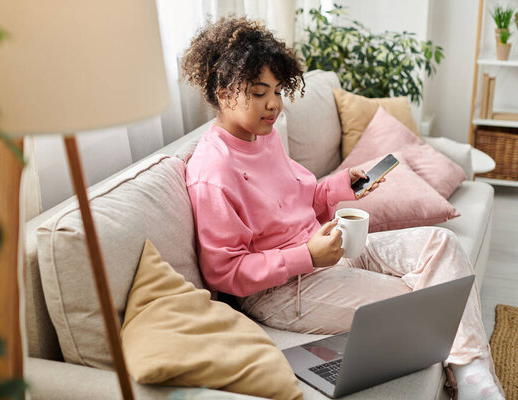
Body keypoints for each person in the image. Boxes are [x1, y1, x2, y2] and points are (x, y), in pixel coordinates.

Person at [181, 16, 504, 400]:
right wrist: (306, 256)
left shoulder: (262, 136)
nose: (273, 105)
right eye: (257, 93)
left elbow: (302, 200)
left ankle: (470, 372)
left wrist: (344, 184)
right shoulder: (213, 171)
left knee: (442, 244)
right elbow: (225, 272)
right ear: (222, 90)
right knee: (420, 300)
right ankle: (471, 376)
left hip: (326, 247)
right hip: (282, 291)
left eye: (278, 92)